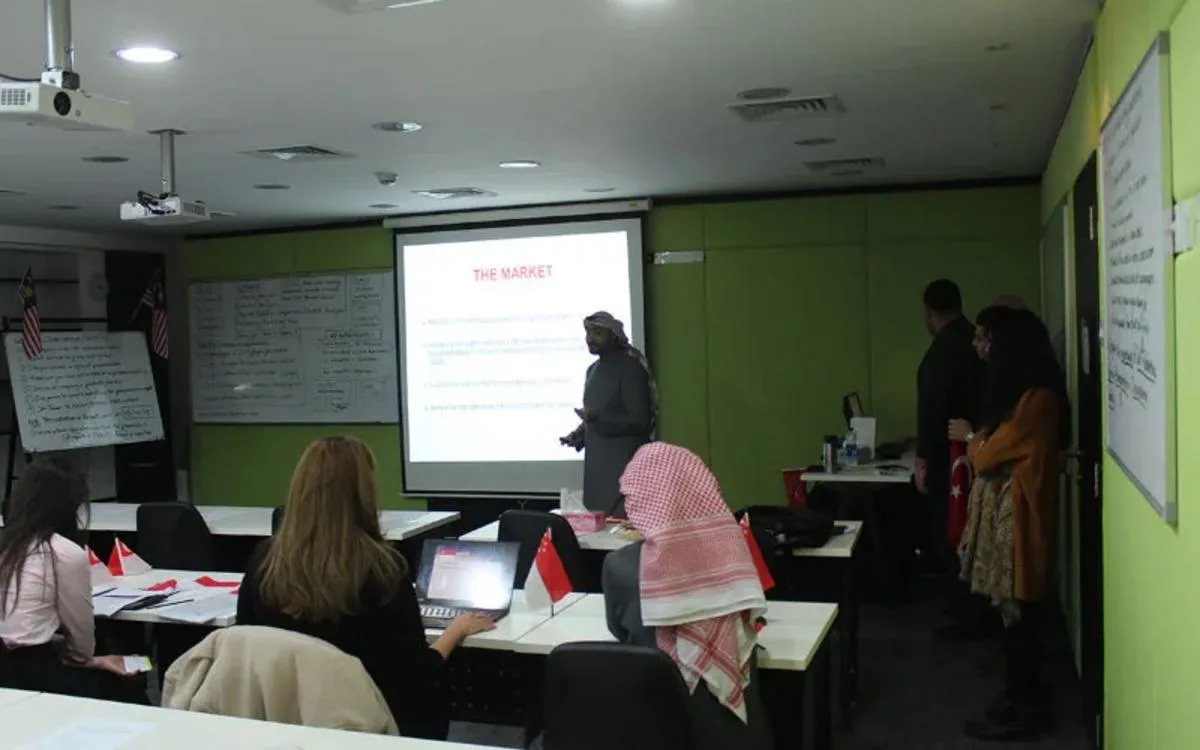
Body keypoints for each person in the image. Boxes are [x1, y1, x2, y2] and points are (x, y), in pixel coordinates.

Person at [236, 436, 494, 739]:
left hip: (284, 720)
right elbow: (418, 674)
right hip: (370, 727)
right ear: (364, 494)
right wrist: (456, 629)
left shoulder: (264, 562)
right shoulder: (383, 570)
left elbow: (246, 641)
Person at [601, 442, 773, 750]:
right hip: (732, 732)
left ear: (639, 501)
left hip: (650, 724)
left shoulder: (619, 566)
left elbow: (618, 630)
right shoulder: (734, 553)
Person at [957, 310, 1069, 741]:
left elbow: (985, 455)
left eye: (986, 339)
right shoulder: (1020, 397)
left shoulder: (1036, 401)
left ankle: (1026, 711)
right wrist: (980, 441)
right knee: (1011, 624)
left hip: (1021, 526)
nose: (980, 347)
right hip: (1013, 526)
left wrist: (973, 439)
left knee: (1022, 624)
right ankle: (1016, 698)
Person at [0, 461, 146, 703]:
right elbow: (81, 644)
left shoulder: (8, 546)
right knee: (125, 685)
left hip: (8, 670)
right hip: (34, 673)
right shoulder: (63, 552)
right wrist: (96, 661)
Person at [560, 311, 656, 516]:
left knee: (622, 528)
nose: (590, 339)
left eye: (597, 333)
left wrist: (598, 418)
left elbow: (640, 420)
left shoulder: (630, 367)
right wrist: (580, 434)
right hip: (597, 468)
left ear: (614, 336)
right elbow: (597, 414)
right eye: (588, 333)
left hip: (624, 466)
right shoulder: (592, 370)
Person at [915, 280, 984, 568]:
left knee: (949, 534)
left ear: (929, 312)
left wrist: (923, 460)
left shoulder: (939, 354)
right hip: (982, 455)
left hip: (948, 462)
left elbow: (932, 410)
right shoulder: (978, 342)